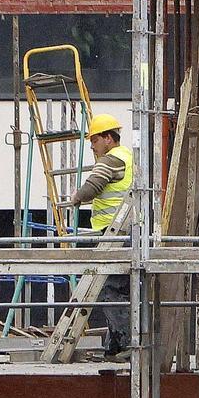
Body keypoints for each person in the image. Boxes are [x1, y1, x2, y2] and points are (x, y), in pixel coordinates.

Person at [67, 113, 134, 358]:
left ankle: (124, 344)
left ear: (108, 138)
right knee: (121, 289)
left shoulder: (111, 159)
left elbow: (93, 187)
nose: (93, 146)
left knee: (110, 289)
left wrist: (76, 197)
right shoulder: (129, 157)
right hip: (127, 232)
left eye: (94, 140)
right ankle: (115, 345)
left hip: (114, 234)